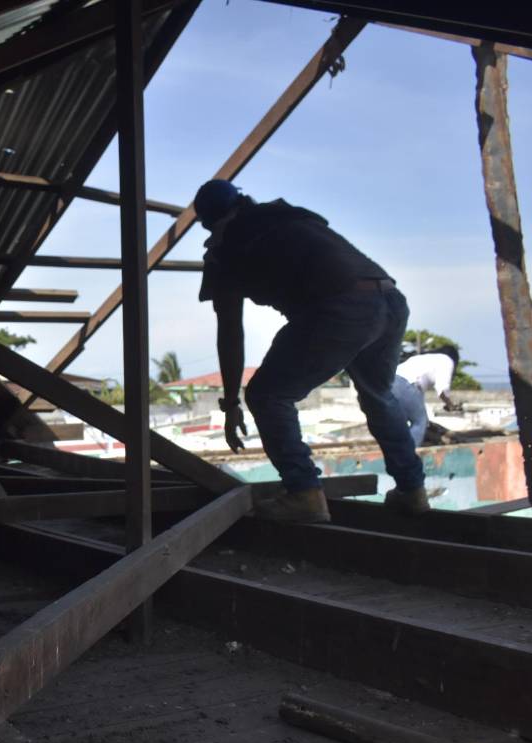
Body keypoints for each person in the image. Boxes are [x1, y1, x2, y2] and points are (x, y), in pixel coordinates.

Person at [193, 179, 428, 522]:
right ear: (243, 199)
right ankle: (413, 492)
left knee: (266, 395)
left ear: (209, 222)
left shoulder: (226, 249)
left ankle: (304, 493)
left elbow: (229, 331)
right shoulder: (287, 217)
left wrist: (231, 403)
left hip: (342, 306)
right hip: (389, 300)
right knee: (378, 395)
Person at [391, 345, 463, 446]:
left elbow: (416, 400)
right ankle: (410, 455)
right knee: (420, 422)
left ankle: (397, 449)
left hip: (390, 382)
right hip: (407, 384)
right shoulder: (446, 360)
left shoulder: (422, 358)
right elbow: (442, 390)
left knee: (401, 422)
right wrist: (451, 405)